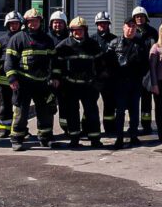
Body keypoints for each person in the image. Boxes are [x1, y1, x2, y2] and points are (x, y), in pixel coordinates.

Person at [4, 8, 57, 151]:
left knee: (45, 111)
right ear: (26, 22)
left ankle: (45, 138)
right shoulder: (18, 38)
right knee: (21, 112)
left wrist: (55, 77)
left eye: (36, 21)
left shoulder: (47, 40)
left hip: (42, 82)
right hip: (23, 82)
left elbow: (55, 61)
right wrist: (12, 79)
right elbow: (9, 61)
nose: (33, 23)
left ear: (40, 22)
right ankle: (17, 139)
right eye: (31, 21)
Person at [54, 17, 103, 148]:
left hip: (89, 86)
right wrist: (59, 80)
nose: (78, 32)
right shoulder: (63, 46)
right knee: (72, 113)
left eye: (80, 30)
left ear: (85, 30)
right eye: (75, 30)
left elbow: (100, 65)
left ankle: (95, 139)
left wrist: (98, 82)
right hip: (70, 86)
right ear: (71, 31)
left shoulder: (93, 45)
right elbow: (56, 66)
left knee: (92, 113)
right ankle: (74, 139)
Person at [109, 17, 149, 149]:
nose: (131, 28)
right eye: (128, 26)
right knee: (120, 112)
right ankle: (119, 138)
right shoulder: (114, 43)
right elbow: (108, 64)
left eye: (133, 26)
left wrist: (139, 75)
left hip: (135, 83)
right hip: (119, 84)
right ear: (123, 27)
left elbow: (145, 64)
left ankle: (133, 135)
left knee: (134, 111)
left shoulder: (140, 44)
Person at [0, 11, 24, 138]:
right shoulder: (0, 41)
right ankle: (3, 129)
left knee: (19, 106)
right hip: (5, 80)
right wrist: (0, 70)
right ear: (7, 24)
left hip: (20, 79)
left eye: (16, 23)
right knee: (5, 105)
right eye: (11, 23)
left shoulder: (24, 38)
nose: (14, 26)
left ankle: (20, 127)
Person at [132, 6, 158, 135]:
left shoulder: (153, 32)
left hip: (148, 70)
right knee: (134, 100)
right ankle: (134, 125)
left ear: (146, 18)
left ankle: (146, 125)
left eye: (141, 16)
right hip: (135, 71)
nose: (139, 19)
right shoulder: (132, 32)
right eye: (137, 17)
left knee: (147, 100)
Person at [92, 11, 118, 134]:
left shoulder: (115, 39)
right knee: (90, 104)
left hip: (109, 78)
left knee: (109, 104)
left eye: (105, 23)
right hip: (94, 78)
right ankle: (89, 128)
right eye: (100, 23)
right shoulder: (91, 40)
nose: (102, 25)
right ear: (97, 24)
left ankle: (110, 128)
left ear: (109, 24)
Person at [48, 10, 70, 135]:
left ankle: (66, 129)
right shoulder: (46, 39)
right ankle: (47, 130)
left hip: (66, 78)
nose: (57, 25)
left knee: (65, 105)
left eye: (60, 23)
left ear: (65, 24)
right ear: (51, 24)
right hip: (49, 78)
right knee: (48, 105)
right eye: (55, 23)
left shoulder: (70, 38)